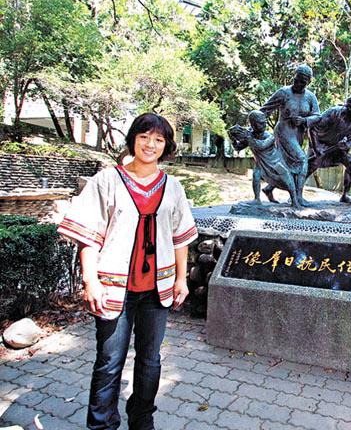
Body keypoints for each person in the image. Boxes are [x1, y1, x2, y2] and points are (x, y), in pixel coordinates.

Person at [58, 113, 198, 430]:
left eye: (158, 139)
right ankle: (102, 425)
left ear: (166, 146)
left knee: (150, 360)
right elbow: (89, 236)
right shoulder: (107, 180)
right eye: (144, 137)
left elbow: (181, 237)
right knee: (109, 362)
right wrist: (90, 280)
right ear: (133, 139)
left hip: (156, 290)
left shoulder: (173, 187)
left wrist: (181, 279)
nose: (150, 144)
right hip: (113, 287)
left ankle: (142, 420)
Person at [259, 64, 320, 205]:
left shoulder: (310, 97)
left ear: (308, 82)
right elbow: (265, 110)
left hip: (298, 133)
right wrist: (254, 126)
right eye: (296, 80)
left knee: (287, 164)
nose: (298, 83)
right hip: (284, 131)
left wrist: (304, 120)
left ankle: (269, 188)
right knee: (302, 160)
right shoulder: (284, 93)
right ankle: (298, 197)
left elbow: (317, 116)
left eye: (302, 82)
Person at [229, 110, 300, 207]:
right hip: (260, 163)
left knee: (287, 179)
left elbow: (261, 146)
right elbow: (238, 147)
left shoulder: (269, 136)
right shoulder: (250, 134)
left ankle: (295, 201)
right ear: (253, 124)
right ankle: (257, 199)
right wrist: (233, 140)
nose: (264, 125)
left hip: (275, 162)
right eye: (261, 123)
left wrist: (248, 138)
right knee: (256, 175)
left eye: (265, 122)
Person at [307, 94, 351, 203]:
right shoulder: (333, 113)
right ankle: (295, 194)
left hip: (337, 150)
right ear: (349, 106)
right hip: (320, 145)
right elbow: (312, 128)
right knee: (311, 166)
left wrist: (346, 145)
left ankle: (345, 195)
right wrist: (316, 149)